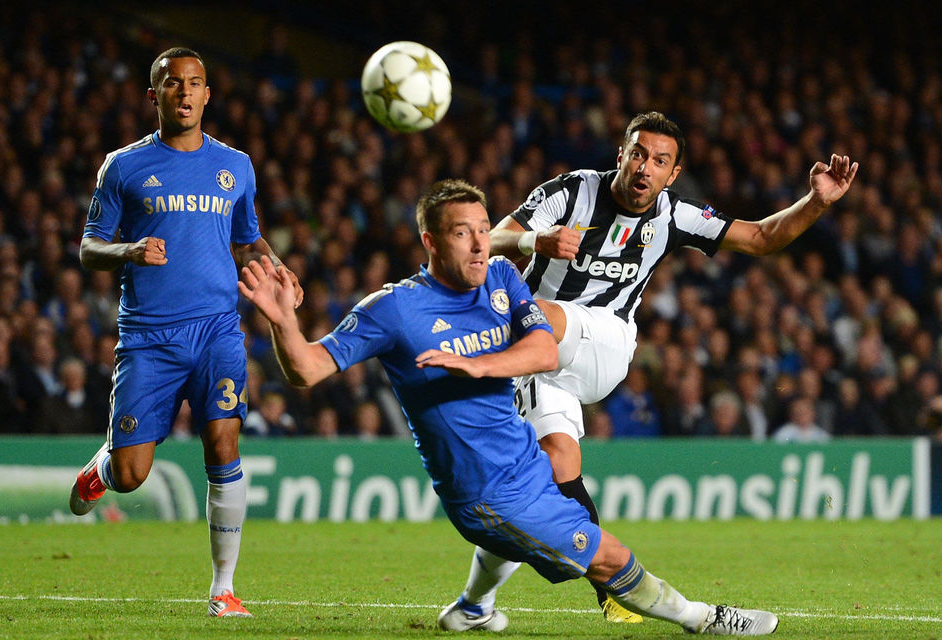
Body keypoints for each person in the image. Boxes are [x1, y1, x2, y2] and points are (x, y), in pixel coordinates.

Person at [239, 179, 779, 636]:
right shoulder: (395, 310)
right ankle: (705, 619)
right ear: (429, 240)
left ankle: (472, 609)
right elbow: (306, 370)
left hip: (527, 464)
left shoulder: (499, 277)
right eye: (461, 234)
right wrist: (284, 322)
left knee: (563, 481)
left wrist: (479, 365)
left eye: (482, 230)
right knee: (610, 558)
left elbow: (544, 350)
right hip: (486, 496)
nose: (479, 245)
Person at [452, 111, 858, 623]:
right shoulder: (572, 192)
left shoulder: (674, 214)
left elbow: (760, 238)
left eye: (660, 161)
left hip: (603, 343)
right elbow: (494, 242)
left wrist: (817, 203)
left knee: (532, 314)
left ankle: (645, 600)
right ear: (621, 155)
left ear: (673, 173)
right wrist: (538, 240)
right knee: (551, 482)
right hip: (540, 363)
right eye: (639, 154)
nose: (646, 167)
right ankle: (473, 606)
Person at [67, 47, 300, 619]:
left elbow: (247, 236)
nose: (185, 93)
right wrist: (128, 249)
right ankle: (103, 468)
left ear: (208, 94)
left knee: (223, 441)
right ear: (155, 96)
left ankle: (223, 588)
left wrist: (275, 265)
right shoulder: (123, 166)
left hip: (218, 329)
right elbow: (88, 247)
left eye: (195, 83)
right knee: (132, 474)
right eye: (173, 85)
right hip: (148, 336)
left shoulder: (236, 165)